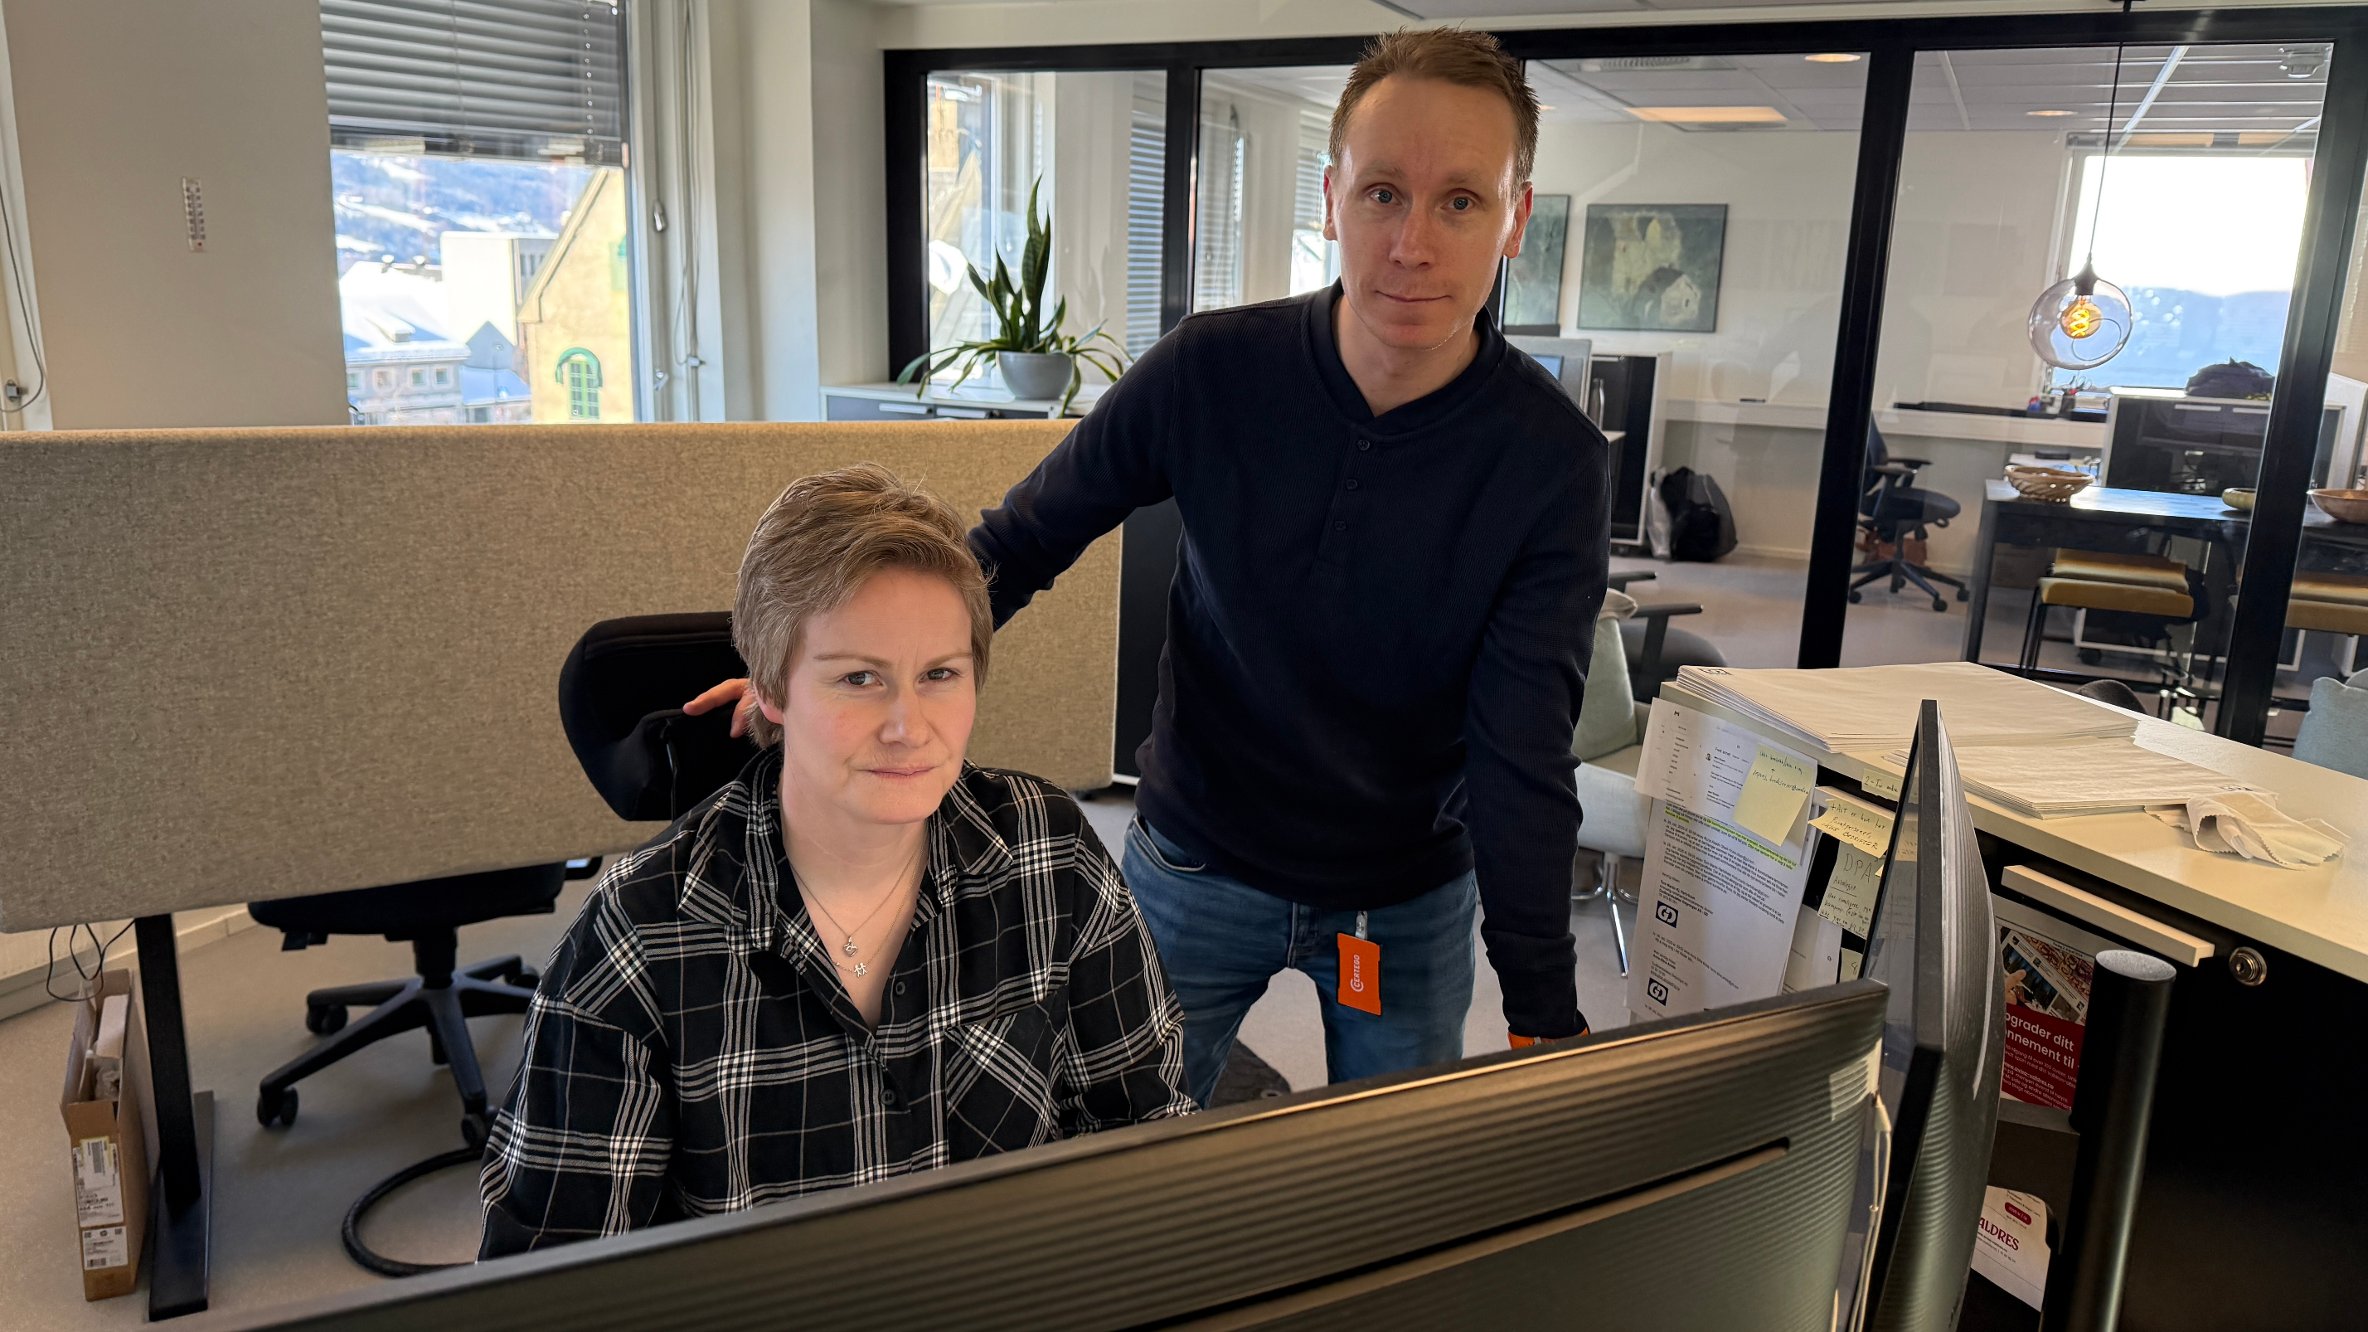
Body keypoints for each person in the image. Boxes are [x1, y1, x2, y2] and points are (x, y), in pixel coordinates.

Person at [692, 27, 1609, 1107]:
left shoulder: (1549, 462)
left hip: (1401, 893)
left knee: (1387, 1179)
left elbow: (1521, 745)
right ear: (1330, 200)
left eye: (1460, 201)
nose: (1412, 243)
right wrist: (822, 678)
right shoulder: (1212, 371)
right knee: (1117, 1151)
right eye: (1381, 194)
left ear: (1515, 218)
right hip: (1197, 855)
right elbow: (1017, 544)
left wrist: (1543, 1007)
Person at [481, 465, 1192, 1256]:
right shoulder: (639, 938)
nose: (908, 727)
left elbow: (1142, 1133)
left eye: (939, 675)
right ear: (770, 689)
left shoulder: (1047, 854)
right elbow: (553, 1277)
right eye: (859, 678)